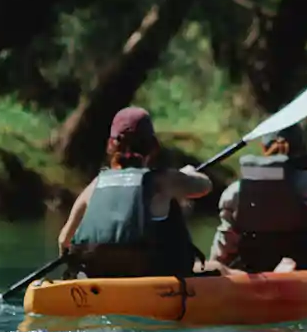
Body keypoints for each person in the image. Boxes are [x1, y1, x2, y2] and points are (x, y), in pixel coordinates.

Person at [58, 107, 212, 278]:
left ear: (111, 146)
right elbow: (205, 186)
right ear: (153, 146)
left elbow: (64, 240)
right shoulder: (163, 180)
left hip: (98, 279)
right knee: (214, 266)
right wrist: (188, 174)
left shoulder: (96, 185)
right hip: (154, 277)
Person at [206, 124, 307, 273]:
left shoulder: (234, 191)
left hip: (254, 272)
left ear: (264, 149)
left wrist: (213, 271)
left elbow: (224, 248)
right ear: (300, 148)